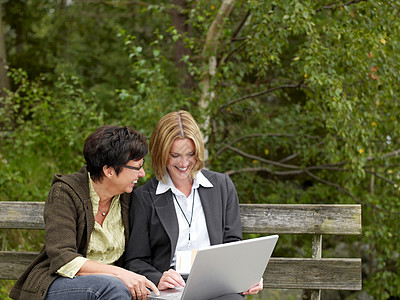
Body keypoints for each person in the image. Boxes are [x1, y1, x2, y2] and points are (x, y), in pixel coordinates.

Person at [9, 125, 159, 300]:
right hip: (61, 283)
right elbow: (62, 257)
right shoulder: (65, 193)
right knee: (112, 287)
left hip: (114, 291)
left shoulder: (128, 198)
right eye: (137, 167)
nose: (142, 174)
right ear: (109, 170)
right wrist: (118, 274)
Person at [124, 111, 263, 299]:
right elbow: (136, 260)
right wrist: (158, 278)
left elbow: (233, 244)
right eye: (175, 155)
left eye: (191, 154)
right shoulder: (144, 197)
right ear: (161, 154)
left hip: (216, 286)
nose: (184, 163)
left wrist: (246, 274)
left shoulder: (222, 186)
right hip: (170, 290)